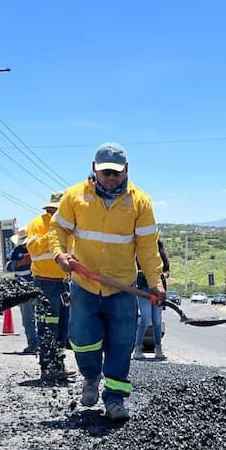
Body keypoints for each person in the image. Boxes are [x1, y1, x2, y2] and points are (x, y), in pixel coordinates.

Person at [48, 142, 165, 421]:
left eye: (116, 173)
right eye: (106, 173)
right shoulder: (75, 197)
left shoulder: (140, 202)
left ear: (126, 170)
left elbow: (148, 247)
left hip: (121, 288)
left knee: (121, 344)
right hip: (85, 286)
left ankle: (115, 399)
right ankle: (90, 376)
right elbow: (58, 229)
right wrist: (59, 254)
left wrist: (155, 282)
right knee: (83, 340)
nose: (111, 178)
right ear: (94, 169)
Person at [24, 191, 73, 382]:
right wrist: (53, 234)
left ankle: (58, 364)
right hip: (45, 283)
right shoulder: (38, 224)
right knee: (47, 326)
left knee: (62, 327)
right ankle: (47, 366)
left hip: (63, 284)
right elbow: (33, 248)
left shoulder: (67, 228)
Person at [133, 239, 170, 360]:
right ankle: (138, 348)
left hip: (158, 290)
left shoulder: (161, 256)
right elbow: (135, 270)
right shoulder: (140, 254)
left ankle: (158, 348)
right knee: (145, 318)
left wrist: (162, 275)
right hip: (143, 289)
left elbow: (167, 271)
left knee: (157, 320)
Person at [5, 228, 38, 353]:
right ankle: (33, 343)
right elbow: (9, 266)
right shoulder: (16, 251)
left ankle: (41, 343)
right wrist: (21, 261)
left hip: (36, 286)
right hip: (23, 288)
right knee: (28, 318)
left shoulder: (37, 248)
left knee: (40, 317)